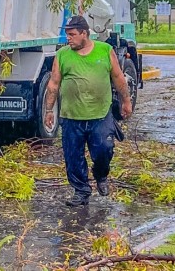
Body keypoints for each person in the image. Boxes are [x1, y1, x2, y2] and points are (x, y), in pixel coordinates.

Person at [44, 15, 132, 206]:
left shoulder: (104, 50)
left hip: (100, 114)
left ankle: (100, 175)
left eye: (72, 34)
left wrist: (126, 101)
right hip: (71, 116)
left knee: (104, 149)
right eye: (67, 35)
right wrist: (49, 110)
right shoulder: (62, 55)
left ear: (85, 33)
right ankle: (81, 191)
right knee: (73, 156)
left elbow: (118, 78)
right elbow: (53, 84)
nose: (69, 38)